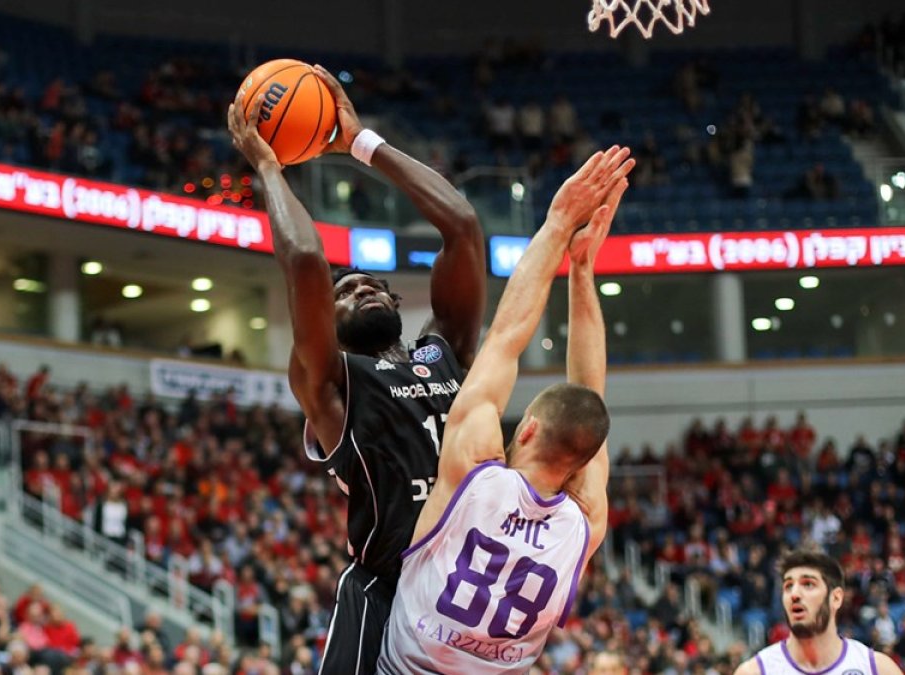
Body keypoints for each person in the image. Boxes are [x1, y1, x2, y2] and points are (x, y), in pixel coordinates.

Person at [227, 63, 487, 675]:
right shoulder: (333, 385)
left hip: (468, 593)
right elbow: (307, 264)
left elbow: (464, 227)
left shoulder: (444, 350)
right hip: (388, 594)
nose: (361, 288)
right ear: (329, 325)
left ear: (399, 309)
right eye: (346, 292)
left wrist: (360, 143)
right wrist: (269, 168)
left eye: (372, 285)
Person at [376, 146, 635, 673]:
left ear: (530, 428)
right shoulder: (584, 522)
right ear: (585, 459)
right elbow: (591, 398)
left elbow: (505, 340)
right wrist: (582, 270)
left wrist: (559, 222)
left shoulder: (474, 477)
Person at [734, 550, 902, 675]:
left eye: (808, 584)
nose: (794, 594)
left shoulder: (877, 669)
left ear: (836, 598)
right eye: (788, 586)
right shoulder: (755, 671)